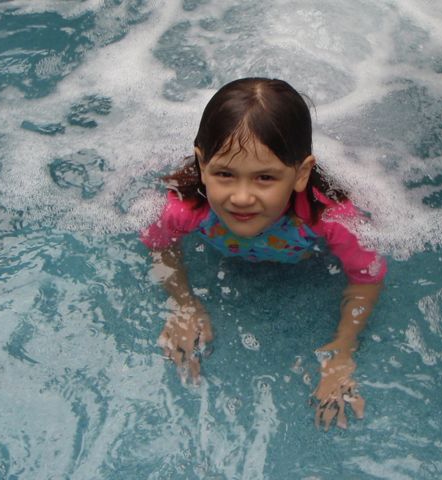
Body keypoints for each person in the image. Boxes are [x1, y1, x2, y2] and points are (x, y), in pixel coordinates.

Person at [141, 78, 386, 430]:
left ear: (300, 174)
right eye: (224, 173)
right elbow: (159, 244)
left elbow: (367, 278)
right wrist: (183, 304)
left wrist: (342, 352)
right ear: (202, 163)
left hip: (306, 263)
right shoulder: (186, 207)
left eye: (265, 178)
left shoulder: (328, 218)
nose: (241, 197)